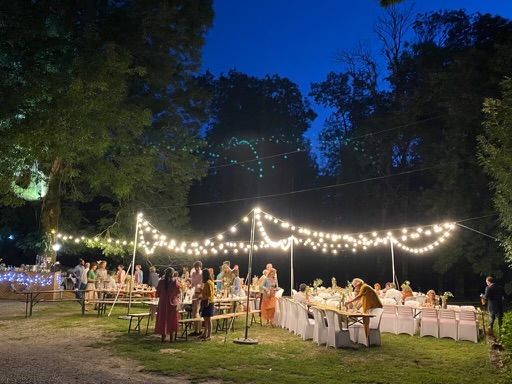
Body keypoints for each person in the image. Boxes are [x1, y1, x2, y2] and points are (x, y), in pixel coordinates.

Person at [155, 268, 181, 343]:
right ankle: (171, 339)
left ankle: (163, 338)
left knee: (163, 319)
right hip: (172, 302)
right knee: (172, 320)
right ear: (173, 274)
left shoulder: (161, 282)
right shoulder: (175, 282)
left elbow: (158, 293)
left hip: (163, 302)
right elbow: (178, 292)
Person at [199, 268, 215, 341]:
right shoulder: (209, 282)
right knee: (205, 319)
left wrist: (203, 297)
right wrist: (202, 291)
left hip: (208, 302)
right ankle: (205, 333)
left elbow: (209, 294)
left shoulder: (208, 283)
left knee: (208, 319)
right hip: (208, 301)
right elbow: (207, 292)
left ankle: (209, 335)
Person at [189, 261, 203, 336]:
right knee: (193, 312)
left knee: (196, 312)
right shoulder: (193, 273)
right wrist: (191, 286)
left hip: (199, 294)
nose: (196, 268)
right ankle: (196, 330)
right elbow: (193, 283)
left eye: (198, 267)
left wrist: (197, 287)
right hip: (194, 294)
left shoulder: (202, 274)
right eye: (195, 267)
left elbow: (201, 285)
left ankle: (199, 330)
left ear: (200, 267)